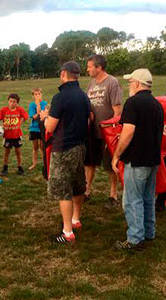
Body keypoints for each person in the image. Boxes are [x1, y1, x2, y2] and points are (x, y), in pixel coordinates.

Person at [112, 69, 163, 251]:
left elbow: (128, 132)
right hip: (153, 160)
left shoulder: (133, 103)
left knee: (132, 199)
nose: (129, 85)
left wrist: (116, 155)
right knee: (148, 197)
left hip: (137, 159)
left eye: (130, 82)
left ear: (137, 83)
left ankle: (134, 239)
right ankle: (149, 232)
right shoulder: (157, 105)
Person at [39, 61, 90, 245]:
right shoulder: (84, 96)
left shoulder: (60, 97)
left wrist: (45, 117)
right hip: (80, 146)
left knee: (63, 190)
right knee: (78, 185)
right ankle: (76, 220)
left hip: (63, 148)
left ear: (63, 74)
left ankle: (67, 232)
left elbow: (50, 127)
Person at [85, 54, 122, 207]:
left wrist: (112, 134)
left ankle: (113, 195)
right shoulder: (91, 84)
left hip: (108, 134)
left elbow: (118, 112)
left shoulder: (112, 83)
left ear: (99, 68)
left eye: (89, 67)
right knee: (89, 162)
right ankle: (86, 191)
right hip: (92, 132)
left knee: (110, 165)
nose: (87, 70)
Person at [0, 93, 28, 176]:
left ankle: (20, 167)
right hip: (7, 136)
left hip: (17, 135)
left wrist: (19, 124)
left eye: (14, 102)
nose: (12, 103)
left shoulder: (19, 109)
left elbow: (25, 117)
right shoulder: (4, 110)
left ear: (17, 103)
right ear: (8, 101)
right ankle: (5, 168)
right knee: (7, 152)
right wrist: (1, 126)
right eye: (10, 101)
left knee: (18, 152)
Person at [28, 87, 48, 170]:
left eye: (39, 94)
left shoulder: (44, 103)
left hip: (42, 128)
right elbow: (35, 116)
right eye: (36, 94)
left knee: (42, 146)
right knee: (35, 147)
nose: (38, 96)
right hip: (34, 128)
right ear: (33, 96)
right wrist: (38, 107)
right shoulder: (32, 105)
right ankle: (34, 163)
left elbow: (45, 114)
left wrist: (40, 107)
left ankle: (45, 162)